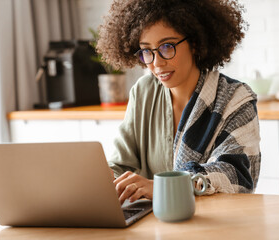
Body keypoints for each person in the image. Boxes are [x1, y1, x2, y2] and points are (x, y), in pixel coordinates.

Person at [96, 0, 261, 205]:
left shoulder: (236, 99)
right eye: (147, 51)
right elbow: (121, 165)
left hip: (217, 225)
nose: (156, 63)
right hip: (153, 227)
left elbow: (237, 174)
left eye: (167, 46)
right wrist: (101, 185)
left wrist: (165, 187)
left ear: (195, 43)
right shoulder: (144, 91)